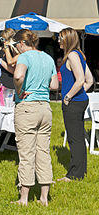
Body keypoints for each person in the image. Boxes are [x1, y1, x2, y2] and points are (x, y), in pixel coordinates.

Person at [0, 29, 59, 206]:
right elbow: (54, 85)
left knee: (26, 153)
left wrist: (19, 90)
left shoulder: (25, 57)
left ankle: (24, 198)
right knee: (43, 152)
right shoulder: (48, 58)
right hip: (45, 108)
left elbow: (17, 75)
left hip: (27, 107)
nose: (16, 48)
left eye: (16, 45)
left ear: (22, 44)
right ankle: (44, 198)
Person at [57, 28, 93, 182]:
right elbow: (89, 80)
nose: (58, 40)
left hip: (73, 102)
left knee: (74, 138)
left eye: (60, 38)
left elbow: (80, 80)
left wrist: (69, 96)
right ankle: (80, 171)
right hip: (79, 101)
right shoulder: (79, 55)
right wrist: (79, 94)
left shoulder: (72, 55)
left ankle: (74, 174)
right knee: (78, 137)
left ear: (67, 39)